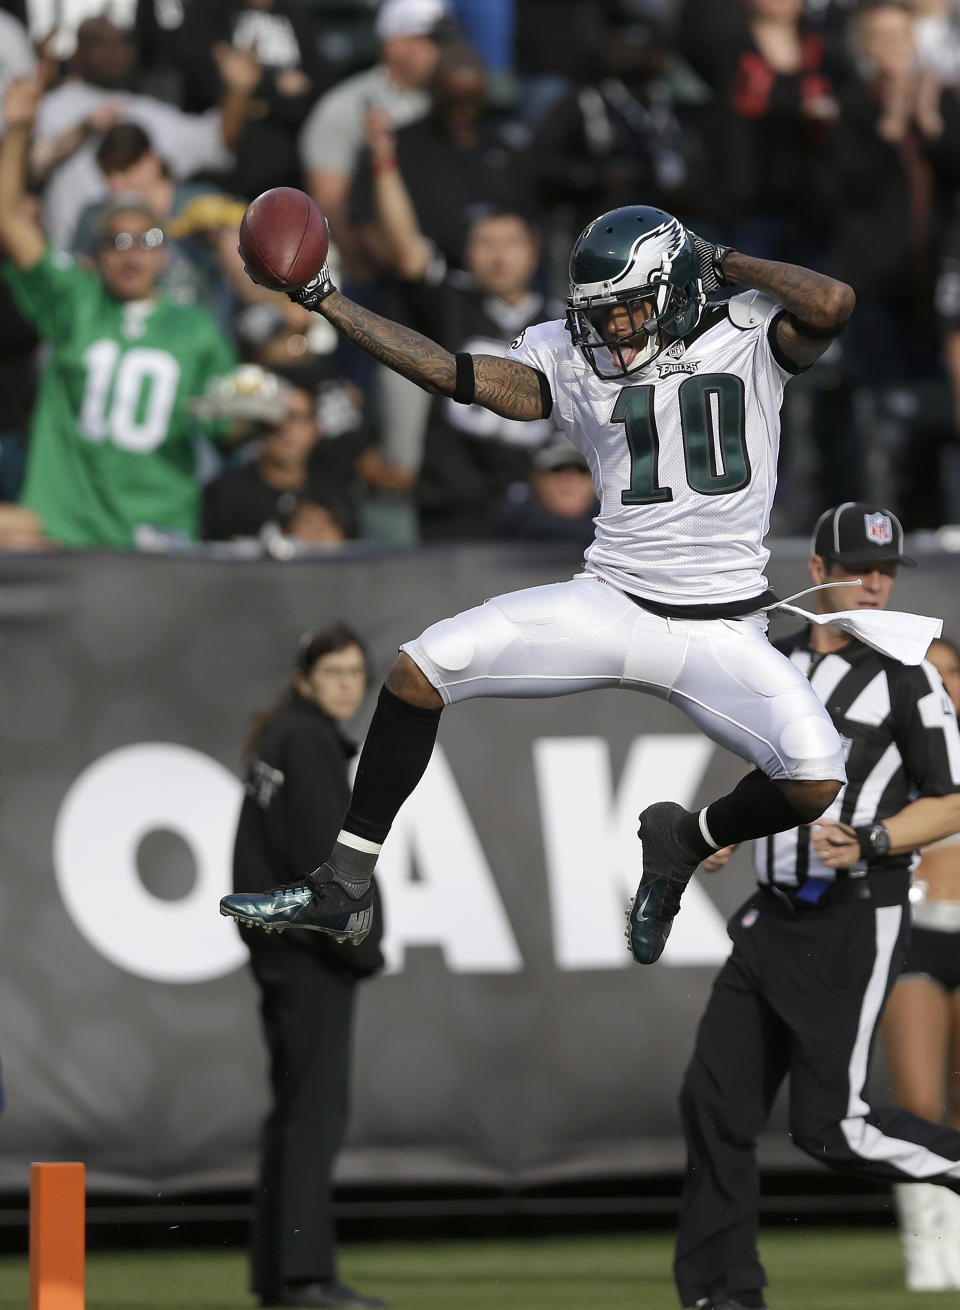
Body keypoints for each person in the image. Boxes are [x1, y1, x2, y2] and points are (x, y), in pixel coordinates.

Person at [221, 198, 866, 968]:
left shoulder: (749, 329)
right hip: (614, 600)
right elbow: (454, 374)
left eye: (628, 311)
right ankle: (346, 882)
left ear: (677, 288)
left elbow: (833, 301)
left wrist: (718, 257)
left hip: (723, 630)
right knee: (421, 671)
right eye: (598, 313)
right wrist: (327, 301)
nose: (610, 330)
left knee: (816, 778)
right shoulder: (570, 353)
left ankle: (680, 841)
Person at [673, 504, 960, 1310]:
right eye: (860, 567)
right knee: (712, 1104)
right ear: (817, 570)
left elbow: (951, 801)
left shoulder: (910, 675)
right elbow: (769, 773)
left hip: (852, 912)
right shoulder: (779, 659)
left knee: (835, 1127)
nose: (876, 583)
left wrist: (872, 839)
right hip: (772, 914)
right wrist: (719, 830)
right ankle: (720, 1294)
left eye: (887, 570)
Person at [0, 76, 237, 550]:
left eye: (147, 241)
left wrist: (262, 410)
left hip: (155, 537)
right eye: (116, 241)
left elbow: (229, 426)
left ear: (166, 255)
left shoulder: (195, 328)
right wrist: (19, 130)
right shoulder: (75, 301)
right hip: (65, 531)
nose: (132, 255)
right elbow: (7, 217)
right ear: (95, 255)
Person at [232, 623, 386, 1310]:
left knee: (292, 1115)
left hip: (280, 953)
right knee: (314, 1116)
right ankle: (304, 1278)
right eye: (334, 672)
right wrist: (362, 948)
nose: (348, 684)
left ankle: (277, 1273)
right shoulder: (310, 742)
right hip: (308, 958)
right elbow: (328, 867)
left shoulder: (282, 736)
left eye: (356, 672)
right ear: (305, 679)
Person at [881, 634, 960, 1291]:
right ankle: (924, 1248)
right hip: (918, 930)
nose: (944, 686)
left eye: (952, 673)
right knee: (919, 1099)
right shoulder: (890, 752)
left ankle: (957, 1243)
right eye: (929, 676)